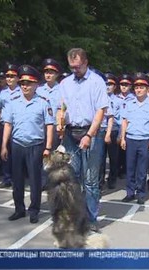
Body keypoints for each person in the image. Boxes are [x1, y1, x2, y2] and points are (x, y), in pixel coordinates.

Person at [57, 48, 109, 232]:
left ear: (86, 62)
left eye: (78, 67)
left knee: (90, 180)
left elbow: (100, 111)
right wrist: (60, 122)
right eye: (72, 67)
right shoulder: (64, 83)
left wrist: (89, 135)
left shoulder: (97, 82)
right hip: (71, 134)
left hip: (92, 133)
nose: (75, 70)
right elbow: (61, 107)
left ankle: (92, 218)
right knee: (73, 177)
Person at [1, 65, 54, 224]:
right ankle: (19, 209)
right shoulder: (13, 102)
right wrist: (4, 145)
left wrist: (48, 147)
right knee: (17, 180)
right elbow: (8, 124)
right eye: (22, 83)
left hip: (35, 146)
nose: (25, 86)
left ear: (36, 84)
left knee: (35, 180)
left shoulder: (43, 103)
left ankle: (34, 210)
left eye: (28, 83)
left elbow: (49, 125)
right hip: (17, 145)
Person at [120, 73, 149, 204]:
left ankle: (141, 193)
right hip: (131, 139)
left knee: (142, 170)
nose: (138, 90)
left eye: (141, 87)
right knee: (130, 168)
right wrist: (122, 138)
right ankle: (130, 193)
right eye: (136, 87)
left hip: (145, 140)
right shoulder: (129, 103)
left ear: (147, 89)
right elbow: (125, 121)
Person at [0, 64, 21, 188]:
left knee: (16, 154)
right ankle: (6, 178)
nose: (9, 79)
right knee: (4, 152)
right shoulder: (3, 93)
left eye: (12, 76)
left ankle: (17, 178)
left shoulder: (22, 91)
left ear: (17, 78)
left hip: (17, 126)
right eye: (8, 76)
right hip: (4, 125)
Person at [100, 72, 122, 190]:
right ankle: (100, 179)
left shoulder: (118, 101)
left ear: (114, 86)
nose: (108, 86)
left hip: (113, 131)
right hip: (101, 129)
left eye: (110, 84)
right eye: (106, 84)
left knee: (113, 158)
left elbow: (122, 119)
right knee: (100, 157)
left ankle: (112, 179)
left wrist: (120, 135)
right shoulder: (99, 98)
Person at [116, 74, 135, 178]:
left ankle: (126, 170)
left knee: (127, 150)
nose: (124, 86)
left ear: (130, 86)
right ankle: (117, 170)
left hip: (128, 127)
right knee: (116, 152)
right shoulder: (115, 98)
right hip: (116, 126)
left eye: (126, 84)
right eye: (122, 84)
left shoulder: (134, 98)